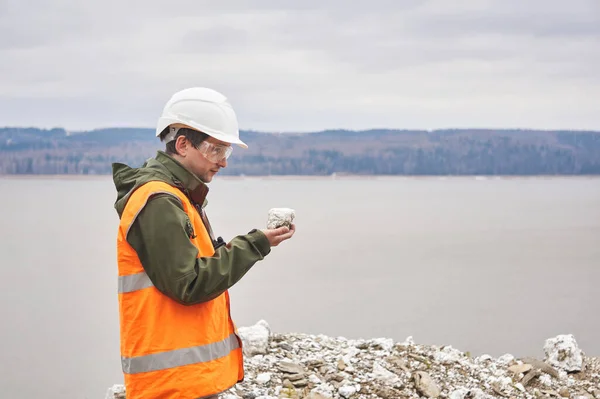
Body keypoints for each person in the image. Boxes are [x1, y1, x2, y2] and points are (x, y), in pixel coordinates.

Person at [111, 87, 295, 399]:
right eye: (216, 150)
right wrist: (253, 245)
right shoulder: (158, 201)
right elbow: (190, 284)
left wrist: (258, 242)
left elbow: (189, 268)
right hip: (172, 385)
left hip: (186, 381)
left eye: (227, 152)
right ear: (182, 144)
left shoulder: (178, 196)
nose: (223, 162)